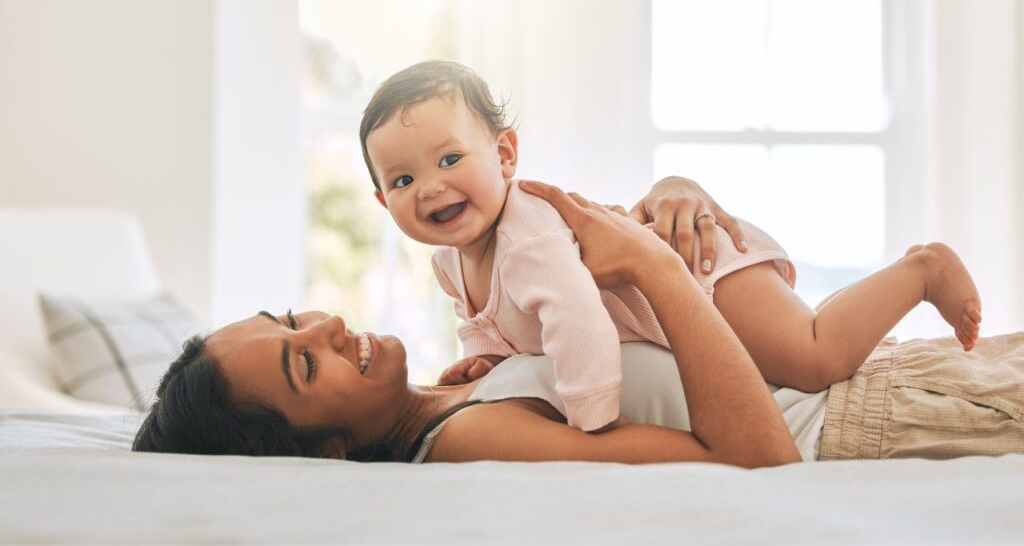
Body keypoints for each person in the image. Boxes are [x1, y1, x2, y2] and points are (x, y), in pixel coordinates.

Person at [132, 180, 1024, 464]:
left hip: (898, 373)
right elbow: (759, 461)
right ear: (322, 456)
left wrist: (675, 207)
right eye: (301, 363)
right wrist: (657, 265)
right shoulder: (470, 443)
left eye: (292, 317)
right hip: (870, 423)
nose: (327, 327)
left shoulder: (453, 386)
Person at [359, 60, 983, 432]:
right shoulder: (450, 264)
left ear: (504, 156)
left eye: (449, 158)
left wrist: (594, 420)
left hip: (699, 269)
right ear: (386, 202)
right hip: (677, 305)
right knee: (782, 378)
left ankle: (921, 271)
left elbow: (580, 327)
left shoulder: (527, 237)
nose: (431, 187)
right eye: (405, 179)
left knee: (814, 356)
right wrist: (489, 366)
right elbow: (497, 326)